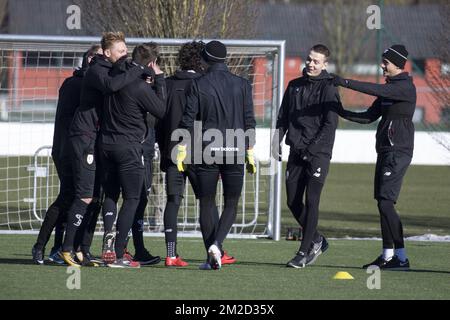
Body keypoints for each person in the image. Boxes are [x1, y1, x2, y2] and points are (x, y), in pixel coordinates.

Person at [59, 32, 152, 267]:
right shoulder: (97, 69)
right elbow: (112, 86)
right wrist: (136, 69)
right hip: (84, 137)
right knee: (85, 195)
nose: (124, 55)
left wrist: (148, 76)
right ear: (107, 53)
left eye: (126, 51)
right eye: (120, 51)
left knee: (97, 197)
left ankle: (83, 250)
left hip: (98, 139)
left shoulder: (111, 68)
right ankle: (66, 248)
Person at [332, 44, 415, 270]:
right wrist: (340, 111)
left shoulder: (405, 87)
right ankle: (388, 255)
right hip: (386, 150)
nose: (382, 65)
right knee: (382, 203)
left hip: (398, 151)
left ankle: (401, 257)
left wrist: (344, 81)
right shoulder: (389, 89)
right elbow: (369, 117)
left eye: (385, 62)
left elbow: (376, 90)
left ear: (397, 65)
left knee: (387, 203)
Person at [177, 40, 256, 270]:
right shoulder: (242, 84)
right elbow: (249, 119)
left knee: (206, 201)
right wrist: (250, 150)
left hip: (206, 149)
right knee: (231, 203)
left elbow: (187, 119)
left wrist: (181, 148)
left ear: (206, 59)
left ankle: (211, 252)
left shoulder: (198, 83)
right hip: (235, 148)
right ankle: (217, 246)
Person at [31, 45, 101, 265]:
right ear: (89, 59)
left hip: (67, 149)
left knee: (73, 197)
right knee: (71, 197)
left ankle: (58, 247)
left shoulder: (73, 82)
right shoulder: (81, 85)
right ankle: (48, 246)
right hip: (71, 150)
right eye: (96, 57)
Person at [100, 42, 166, 268]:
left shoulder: (113, 80)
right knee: (132, 198)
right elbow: (161, 110)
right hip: (128, 148)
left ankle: (107, 243)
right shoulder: (139, 87)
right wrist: (159, 80)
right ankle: (119, 252)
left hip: (106, 145)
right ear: (150, 64)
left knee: (110, 193)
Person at [272, 44, 339, 268]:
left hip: (318, 154)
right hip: (296, 152)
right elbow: (282, 117)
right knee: (292, 201)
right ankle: (317, 239)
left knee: (312, 201)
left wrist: (312, 149)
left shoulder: (329, 88)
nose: (311, 64)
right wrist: (276, 141)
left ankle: (304, 251)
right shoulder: (294, 86)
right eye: (309, 59)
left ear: (325, 65)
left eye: (316, 61)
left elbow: (330, 125)